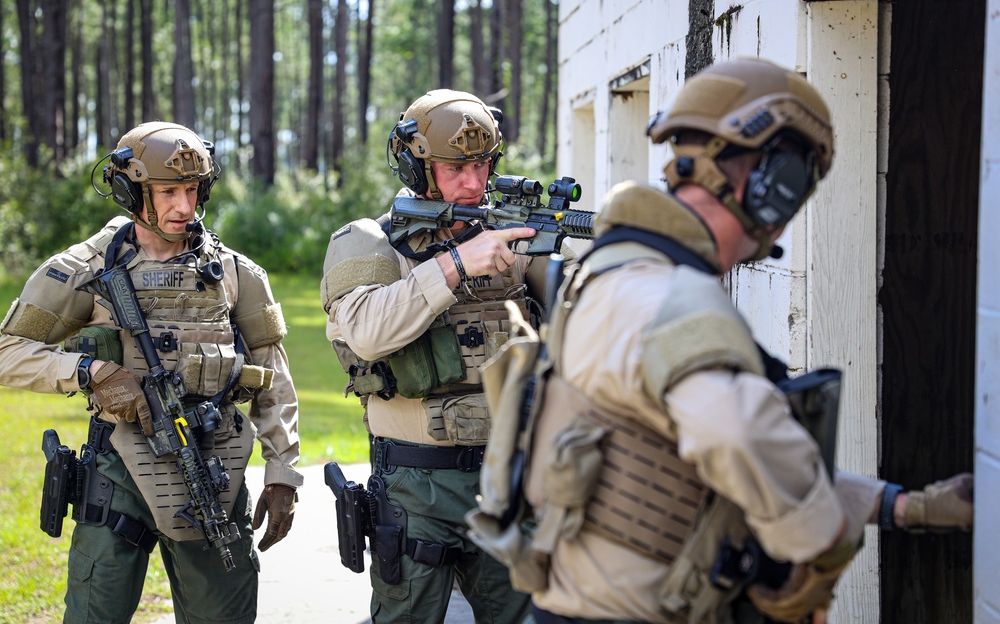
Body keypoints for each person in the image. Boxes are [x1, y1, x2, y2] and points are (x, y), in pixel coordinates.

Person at [467, 57, 974, 624]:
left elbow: (701, 463)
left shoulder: (619, 276)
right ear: (776, 182)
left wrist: (906, 507)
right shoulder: (664, 293)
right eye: (800, 178)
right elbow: (731, 431)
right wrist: (819, 544)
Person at [0, 121, 302, 624]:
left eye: (191, 190)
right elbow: (8, 351)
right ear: (130, 191)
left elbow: (274, 378)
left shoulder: (236, 274)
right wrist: (89, 371)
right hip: (116, 473)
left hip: (212, 471)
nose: (183, 207)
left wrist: (283, 473)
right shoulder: (84, 269)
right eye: (167, 192)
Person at [321, 89, 557, 623]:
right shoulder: (369, 242)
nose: (473, 183)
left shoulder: (511, 242)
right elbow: (367, 332)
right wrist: (456, 263)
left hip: (509, 481)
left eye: (482, 165)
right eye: (455, 168)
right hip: (414, 488)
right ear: (417, 167)